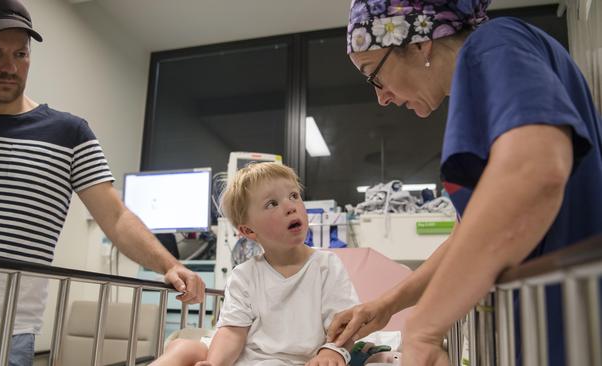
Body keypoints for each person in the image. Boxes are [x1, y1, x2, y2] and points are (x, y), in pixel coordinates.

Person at [327, 0, 602, 365]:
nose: (381, 97)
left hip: (571, 328)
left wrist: (426, 326)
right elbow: (472, 236)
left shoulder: (494, 44)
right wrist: (386, 305)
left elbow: (534, 171)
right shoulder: (486, 84)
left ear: (418, 42)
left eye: (373, 74)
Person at [0, 0, 205, 365]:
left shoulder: (68, 134)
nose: (10, 67)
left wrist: (169, 265)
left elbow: (115, 216)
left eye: (20, 54)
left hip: (1, 333)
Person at [151, 162, 372, 366]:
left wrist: (331, 352)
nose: (290, 206)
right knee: (181, 348)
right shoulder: (244, 275)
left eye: (294, 196)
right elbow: (232, 332)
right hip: (245, 358)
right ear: (248, 231)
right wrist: (215, 363)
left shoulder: (326, 266)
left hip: (302, 362)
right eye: (272, 203)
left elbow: (345, 325)